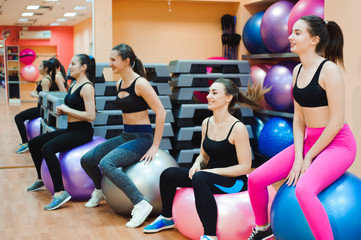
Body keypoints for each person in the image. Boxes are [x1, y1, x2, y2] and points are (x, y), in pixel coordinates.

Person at [247, 15, 357, 240]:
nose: (290, 36)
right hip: (309, 142)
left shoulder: (330, 71)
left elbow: (336, 122)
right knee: (255, 179)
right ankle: (263, 228)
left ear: (314, 40)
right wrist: (299, 156)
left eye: (298, 33)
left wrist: (309, 158)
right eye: (292, 32)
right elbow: (299, 119)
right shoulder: (297, 71)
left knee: (304, 190)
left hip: (338, 144)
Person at [143, 78, 269, 240]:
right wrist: (197, 163)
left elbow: (245, 167)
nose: (209, 96)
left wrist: (210, 171)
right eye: (209, 92)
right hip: (208, 176)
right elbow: (204, 155)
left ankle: (210, 235)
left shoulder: (238, 128)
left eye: (214, 93)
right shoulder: (207, 123)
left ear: (228, 98)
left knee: (200, 177)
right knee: (168, 174)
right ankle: (167, 218)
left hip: (233, 182)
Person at [80, 43, 166, 228]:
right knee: (87, 159)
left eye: (113, 60)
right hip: (126, 135)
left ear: (126, 61)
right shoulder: (119, 83)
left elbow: (161, 111)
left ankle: (141, 203)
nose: (109, 63)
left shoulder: (140, 83)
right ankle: (99, 190)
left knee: (106, 163)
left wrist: (155, 145)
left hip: (142, 138)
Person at [26, 54, 96, 211]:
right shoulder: (73, 85)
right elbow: (75, 109)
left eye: (73, 64)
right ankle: (41, 178)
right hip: (71, 128)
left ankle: (60, 193)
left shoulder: (87, 87)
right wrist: (65, 112)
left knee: (48, 148)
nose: (69, 66)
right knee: (34, 143)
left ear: (83, 67)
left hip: (83, 131)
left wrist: (68, 110)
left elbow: (91, 116)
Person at [14, 59, 66, 154]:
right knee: (19, 117)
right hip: (42, 109)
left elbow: (46, 100)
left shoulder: (46, 80)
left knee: (18, 118)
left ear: (46, 68)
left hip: (41, 110)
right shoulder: (48, 78)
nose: (38, 68)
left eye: (40, 66)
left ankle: (25, 143)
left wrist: (35, 95)